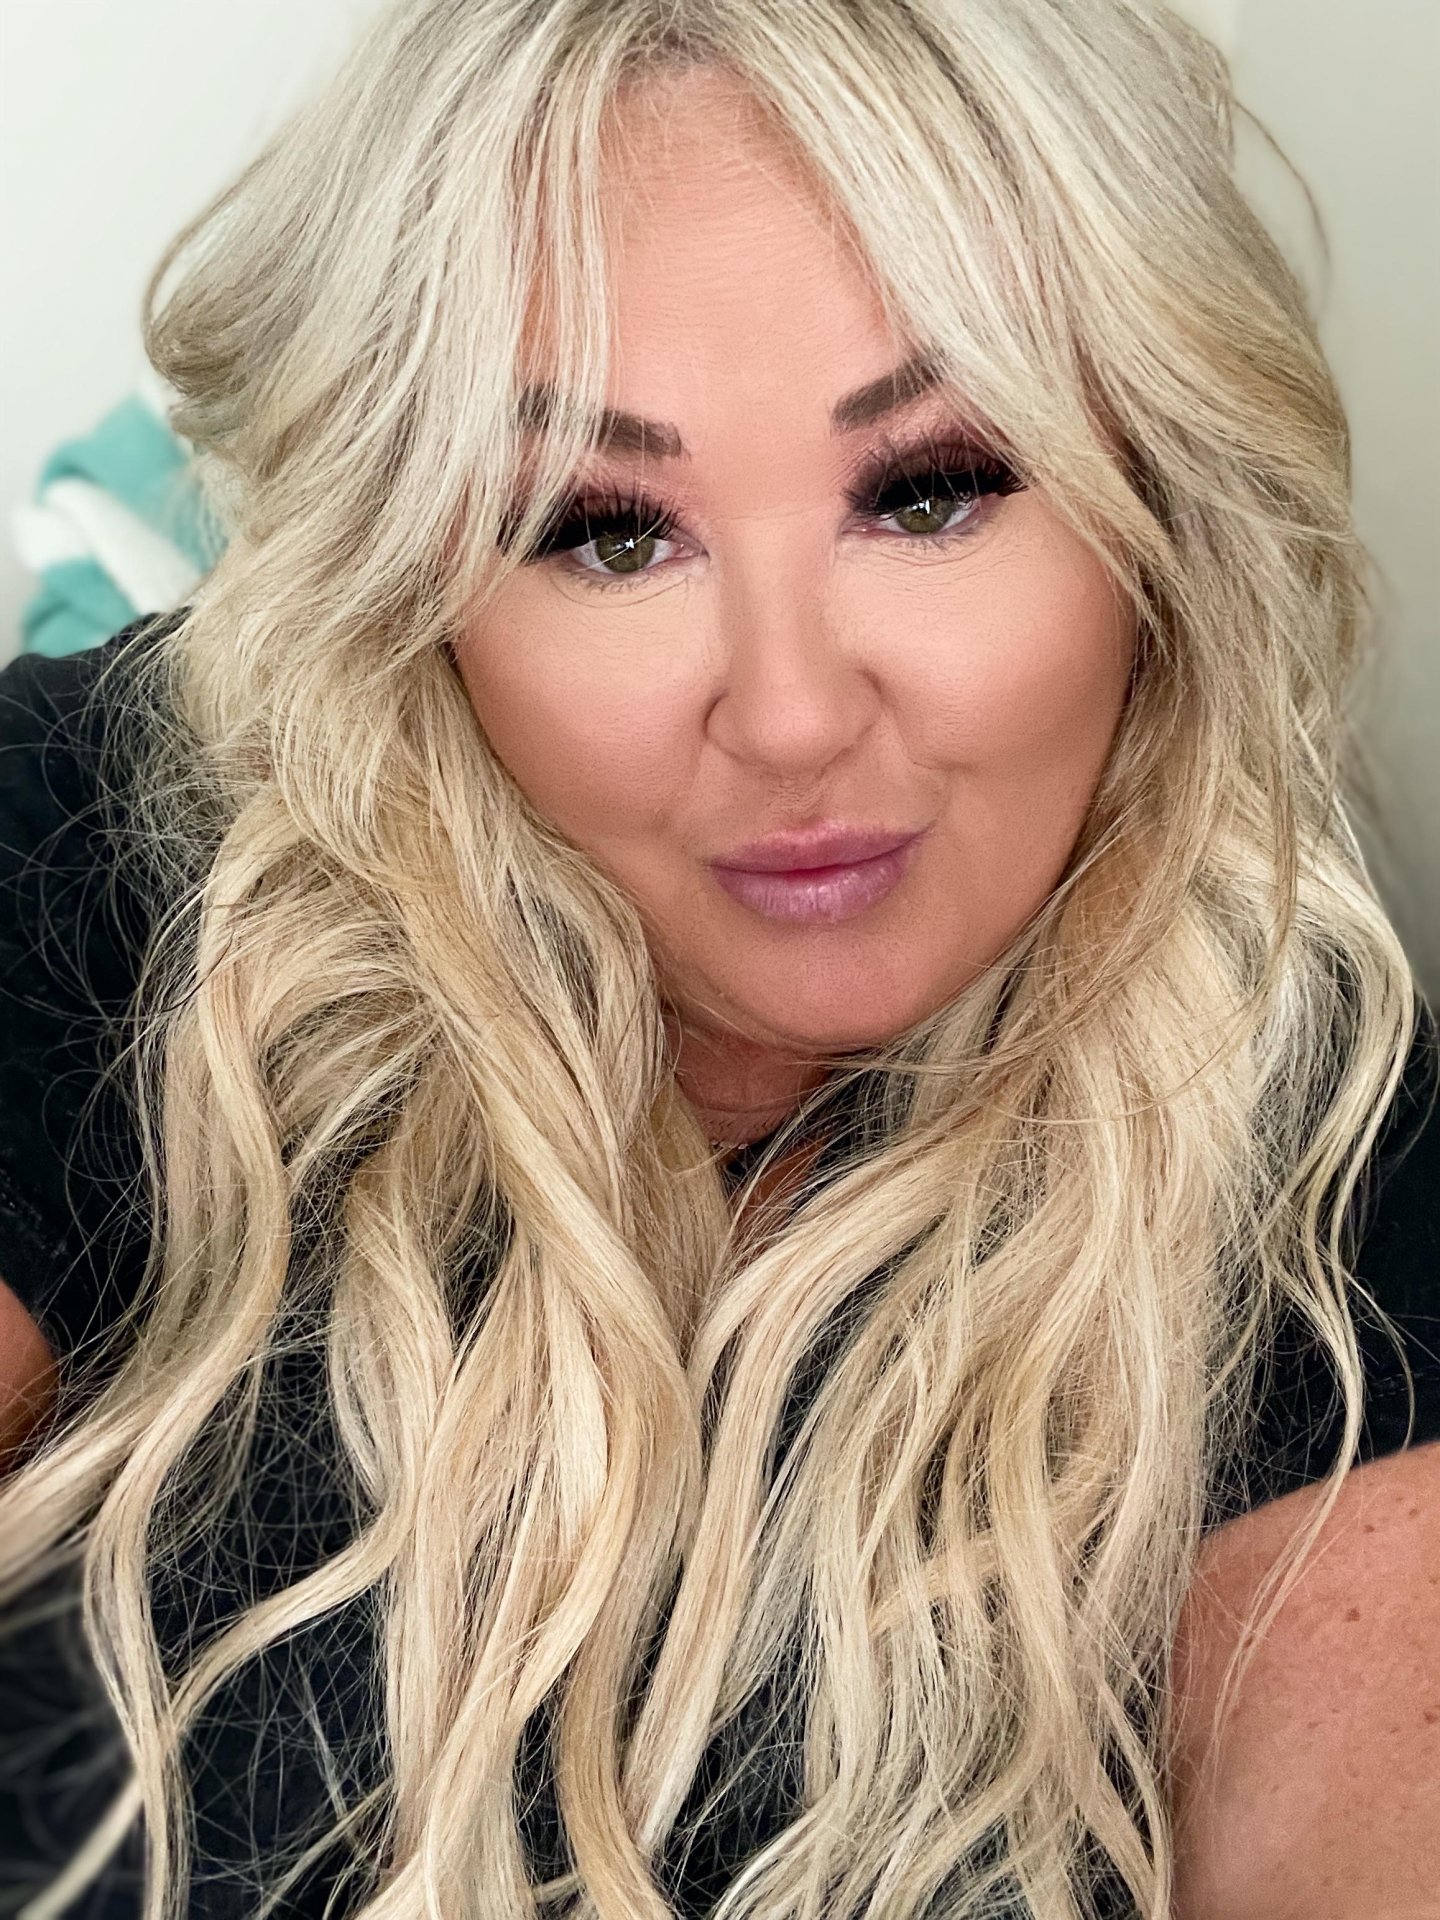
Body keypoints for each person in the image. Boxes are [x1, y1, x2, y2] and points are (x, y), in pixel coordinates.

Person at [1, 2, 1437, 1916]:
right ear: (417, 589)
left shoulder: (1330, 1153)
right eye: (608, 532)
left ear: (1160, 513)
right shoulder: (115, 858)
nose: (788, 716)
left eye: (929, 488)